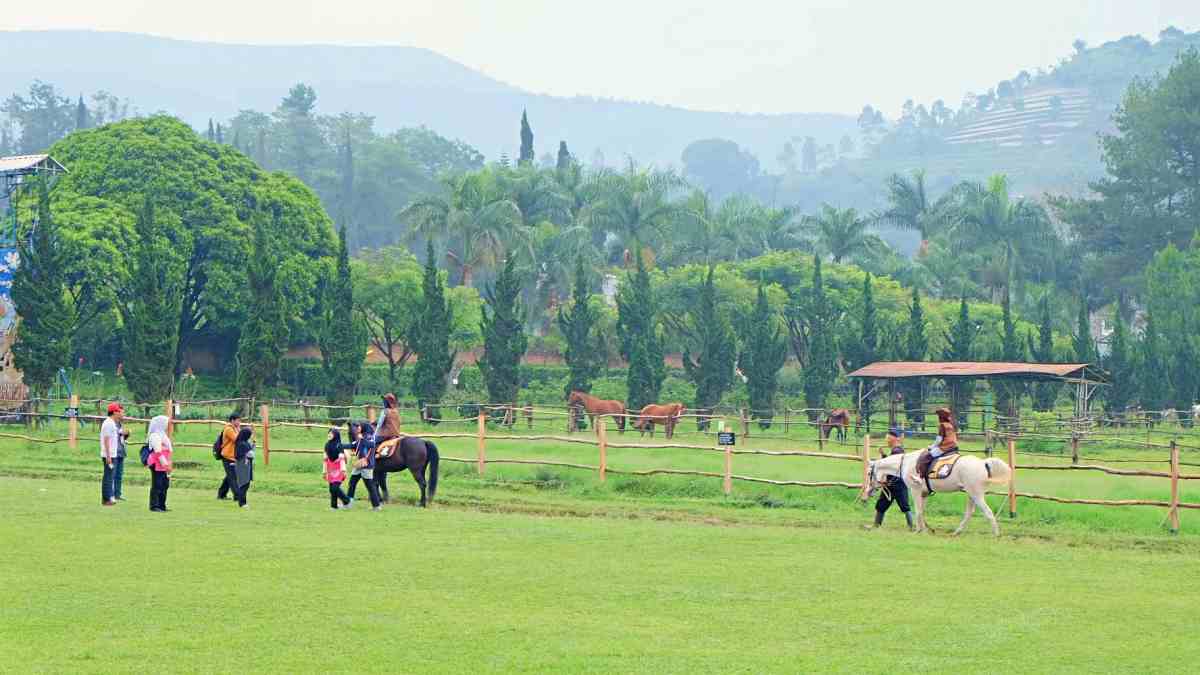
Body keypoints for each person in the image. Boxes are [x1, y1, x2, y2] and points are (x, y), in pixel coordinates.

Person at [867, 428, 913, 531]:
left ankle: (912, 527)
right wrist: (883, 455)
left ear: (894, 439)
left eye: (888, 439)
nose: (887, 441)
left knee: (904, 506)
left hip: (898, 484)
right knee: (881, 505)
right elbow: (889, 463)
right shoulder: (895, 450)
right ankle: (876, 526)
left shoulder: (897, 450)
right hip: (891, 483)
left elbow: (894, 466)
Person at [345, 421, 382, 511]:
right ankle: (348, 503)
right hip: (359, 465)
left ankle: (376, 506)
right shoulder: (360, 437)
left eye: (359, 427)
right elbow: (353, 445)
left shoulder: (369, 437)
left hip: (366, 465)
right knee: (352, 483)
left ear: (363, 428)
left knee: (369, 485)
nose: (357, 429)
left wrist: (362, 439)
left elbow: (371, 445)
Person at [915, 408, 959, 482]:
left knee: (926, 457)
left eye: (938, 416)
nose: (938, 418)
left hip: (945, 447)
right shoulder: (950, 425)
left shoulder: (942, 425)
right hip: (953, 447)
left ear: (941, 417)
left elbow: (939, 440)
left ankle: (920, 477)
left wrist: (931, 447)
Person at [146, 415, 174, 512]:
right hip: (157, 463)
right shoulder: (154, 436)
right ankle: (154, 505)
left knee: (164, 484)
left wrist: (169, 464)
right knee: (157, 484)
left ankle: (162, 505)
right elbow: (158, 452)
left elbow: (169, 451)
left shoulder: (163, 435)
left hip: (165, 464)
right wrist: (165, 464)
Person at [99, 402, 124, 506]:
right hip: (109, 455)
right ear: (114, 412)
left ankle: (109, 497)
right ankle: (106, 499)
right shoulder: (109, 423)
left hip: (112, 454)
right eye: (119, 411)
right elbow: (106, 440)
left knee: (110, 476)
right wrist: (108, 455)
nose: (121, 413)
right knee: (108, 477)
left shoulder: (112, 423)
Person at [217, 413, 245, 506]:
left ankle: (221, 494)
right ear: (232, 420)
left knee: (229, 476)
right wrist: (241, 431)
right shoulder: (228, 429)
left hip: (233, 456)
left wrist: (239, 429)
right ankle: (237, 496)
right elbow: (237, 439)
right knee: (233, 477)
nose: (239, 422)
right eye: (238, 420)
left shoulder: (235, 429)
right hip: (227, 456)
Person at [324, 428, 351, 510]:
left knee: (335, 487)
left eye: (331, 433)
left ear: (335, 435)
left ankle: (346, 500)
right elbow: (325, 459)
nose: (329, 434)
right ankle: (334, 506)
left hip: (339, 469)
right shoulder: (327, 445)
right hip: (330, 468)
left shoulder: (339, 446)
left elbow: (342, 459)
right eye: (329, 433)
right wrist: (324, 471)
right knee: (331, 489)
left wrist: (343, 471)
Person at [233, 425, 255, 508]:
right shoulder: (241, 444)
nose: (250, 436)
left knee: (246, 484)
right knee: (244, 484)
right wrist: (249, 453)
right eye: (249, 435)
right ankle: (242, 503)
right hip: (243, 466)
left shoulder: (244, 442)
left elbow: (249, 452)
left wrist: (252, 447)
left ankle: (243, 502)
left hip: (246, 465)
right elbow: (240, 455)